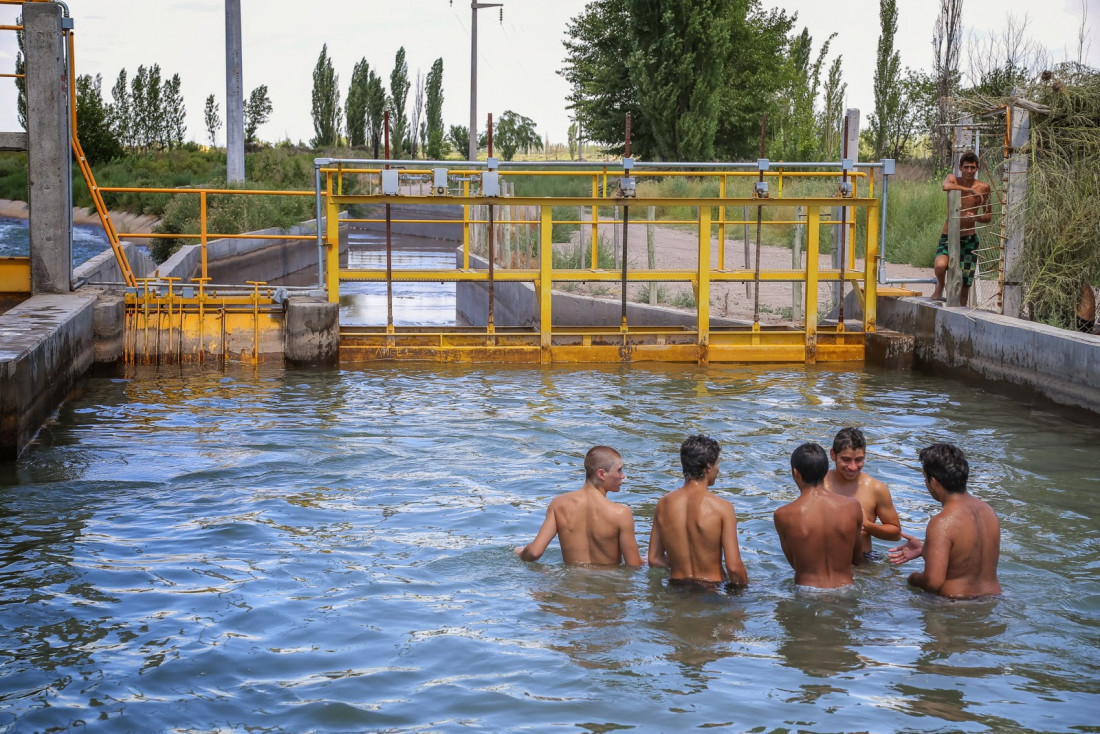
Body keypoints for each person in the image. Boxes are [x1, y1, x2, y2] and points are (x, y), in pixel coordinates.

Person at [888, 443, 1002, 598]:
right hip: (993, 600)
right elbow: (968, 558)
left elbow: (933, 583)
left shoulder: (942, 522)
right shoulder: (988, 511)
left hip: (953, 607)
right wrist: (925, 550)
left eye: (925, 478)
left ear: (934, 482)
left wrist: (913, 578)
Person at [514, 445, 643, 566]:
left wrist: (520, 552)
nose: (623, 476)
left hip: (570, 587)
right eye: (619, 470)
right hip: (607, 587)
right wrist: (650, 560)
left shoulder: (558, 504)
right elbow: (634, 565)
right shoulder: (621, 513)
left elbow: (534, 552)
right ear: (601, 474)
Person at [647, 434, 748, 588]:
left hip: (676, 587)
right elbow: (734, 567)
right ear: (708, 467)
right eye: (717, 464)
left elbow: (654, 559)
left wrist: (679, 565)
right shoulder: (723, 507)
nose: (718, 470)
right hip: (711, 589)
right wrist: (746, 590)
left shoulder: (663, 503)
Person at [774, 442, 864, 589]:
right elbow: (857, 559)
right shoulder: (853, 506)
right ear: (826, 470)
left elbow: (795, 565)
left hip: (807, 590)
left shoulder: (782, 515)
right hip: (846, 589)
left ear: (796, 473)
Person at [824, 427, 902, 557]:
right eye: (846, 459)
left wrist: (867, 526)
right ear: (833, 455)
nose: (853, 467)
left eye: (859, 460)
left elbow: (896, 534)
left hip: (864, 561)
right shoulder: (819, 484)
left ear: (865, 456)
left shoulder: (876, 489)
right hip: (827, 560)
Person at [930, 151, 991, 306]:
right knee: (941, 265)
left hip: (969, 238)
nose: (969, 171)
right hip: (948, 235)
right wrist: (969, 190)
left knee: (965, 280)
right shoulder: (953, 179)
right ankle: (940, 285)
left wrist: (975, 217)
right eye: (966, 167)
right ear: (960, 167)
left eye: (972, 167)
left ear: (977, 169)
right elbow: (945, 186)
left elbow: (988, 216)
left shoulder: (983, 187)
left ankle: (961, 311)